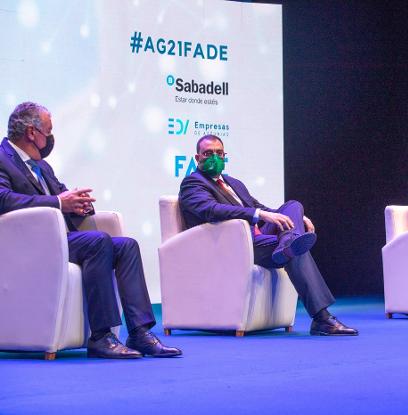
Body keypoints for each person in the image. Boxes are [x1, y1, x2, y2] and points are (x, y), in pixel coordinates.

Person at [0, 102, 181, 358]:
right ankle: (101, 336)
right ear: (32, 133)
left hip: (60, 239)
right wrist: (61, 202)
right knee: (98, 242)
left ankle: (139, 332)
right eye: (48, 131)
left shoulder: (41, 165)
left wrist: (78, 205)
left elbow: (62, 195)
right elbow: (4, 199)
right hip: (28, 245)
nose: (51, 138)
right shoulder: (3, 158)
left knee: (126, 245)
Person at [179, 134, 358, 336]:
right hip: (233, 245)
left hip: (256, 239)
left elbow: (260, 207)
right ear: (197, 158)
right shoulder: (192, 184)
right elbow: (211, 210)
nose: (214, 157)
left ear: (225, 155)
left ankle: (288, 241)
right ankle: (322, 319)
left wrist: (296, 217)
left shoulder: (234, 183)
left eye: (219, 153)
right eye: (208, 153)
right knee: (295, 248)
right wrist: (257, 214)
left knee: (293, 206)